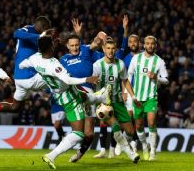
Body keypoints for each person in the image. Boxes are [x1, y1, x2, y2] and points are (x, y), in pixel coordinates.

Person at [18, 33, 100, 169]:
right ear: (50, 48)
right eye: (52, 44)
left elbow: (21, 65)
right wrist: (87, 79)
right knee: (79, 133)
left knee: (85, 96)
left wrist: (39, 72)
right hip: (69, 96)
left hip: (60, 95)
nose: (55, 45)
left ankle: (102, 97)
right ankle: (51, 156)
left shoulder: (35, 58)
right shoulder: (55, 64)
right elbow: (67, 80)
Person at [62, 17, 126, 161]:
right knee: (78, 133)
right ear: (67, 46)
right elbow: (61, 77)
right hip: (73, 95)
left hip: (90, 94)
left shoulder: (92, 53)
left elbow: (94, 45)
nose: (75, 47)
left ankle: (80, 154)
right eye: (72, 45)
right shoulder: (64, 59)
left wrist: (104, 35)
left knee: (89, 134)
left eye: (76, 45)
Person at [0, 16, 51, 113]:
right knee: (61, 78)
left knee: (15, 106)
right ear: (43, 26)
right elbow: (16, 33)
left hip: (20, 78)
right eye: (46, 29)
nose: (46, 32)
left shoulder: (39, 40)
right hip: (29, 76)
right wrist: (39, 37)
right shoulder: (29, 29)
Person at [93, 38, 141, 163]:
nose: (110, 51)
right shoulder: (97, 65)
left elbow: (125, 80)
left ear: (116, 49)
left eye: (112, 48)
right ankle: (131, 154)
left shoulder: (120, 64)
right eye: (108, 48)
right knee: (115, 125)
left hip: (118, 101)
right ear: (103, 49)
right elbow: (92, 82)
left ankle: (121, 143)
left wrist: (133, 97)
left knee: (130, 131)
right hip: (103, 103)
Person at [128, 35, 169, 161]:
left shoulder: (159, 61)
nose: (150, 46)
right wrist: (130, 94)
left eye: (152, 44)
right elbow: (129, 75)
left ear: (155, 46)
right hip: (137, 98)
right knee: (139, 126)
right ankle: (144, 146)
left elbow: (166, 80)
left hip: (151, 97)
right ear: (144, 45)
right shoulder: (136, 58)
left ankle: (153, 151)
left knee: (151, 122)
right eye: (147, 43)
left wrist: (156, 78)